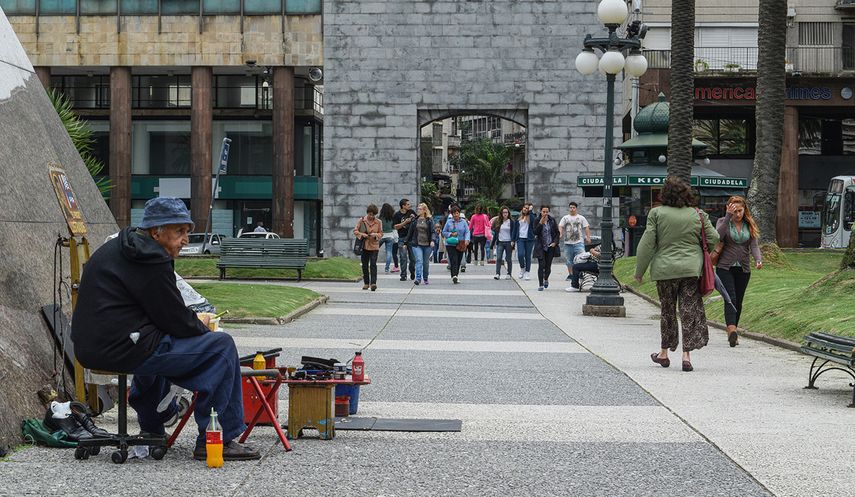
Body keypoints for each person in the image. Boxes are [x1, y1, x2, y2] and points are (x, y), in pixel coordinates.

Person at [71, 197, 260, 461]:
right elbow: (173, 318)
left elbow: (160, 313)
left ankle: (152, 426)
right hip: (121, 346)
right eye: (179, 232)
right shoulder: (150, 258)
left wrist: (186, 325)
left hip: (95, 346)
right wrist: (203, 325)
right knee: (221, 347)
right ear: (156, 231)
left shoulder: (123, 247)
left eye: (187, 232)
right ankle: (217, 439)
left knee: (160, 341)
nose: (185, 240)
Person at [634, 178, 719, 373]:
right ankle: (686, 356)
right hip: (691, 270)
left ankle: (664, 352)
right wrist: (701, 252)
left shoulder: (656, 213)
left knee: (667, 310)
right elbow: (714, 238)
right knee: (689, 311)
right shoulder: (698, 214)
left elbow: (647, 243)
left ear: (664, 194)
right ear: (687, 194)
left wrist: (640, 271)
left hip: (664, 270)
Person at [712, 195, 763, 347]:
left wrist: (758, 259)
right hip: (724, 267)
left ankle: (734, 331)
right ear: (729, 209)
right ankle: (731, 329)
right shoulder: (723, 222)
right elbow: (717, 237)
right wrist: (728, 216)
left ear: (744, 210)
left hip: (744, 267)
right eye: (734, 211)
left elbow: (753, 245)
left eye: (740, 211)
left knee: (738, 300)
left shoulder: (749, 224)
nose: (738, 214)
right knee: (730, 297)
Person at [354, 204, 384, 291]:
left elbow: (381, 233)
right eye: (370, 214)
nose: (371, 216)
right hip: (364, 246)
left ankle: (373, 283)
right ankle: (366, 283)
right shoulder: (362, 220)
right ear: (367, 213)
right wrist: (362, 234)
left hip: (374, 246)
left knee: (373, 264)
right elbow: (355, 231)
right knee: (365, 265)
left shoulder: (379, 222)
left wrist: (376, 235)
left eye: (373, 215)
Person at [558, 201, 591, 281]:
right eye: (571, 207)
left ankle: (580, 273)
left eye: (573, 207)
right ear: (569, 208)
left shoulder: (581, 218)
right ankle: (571, 274)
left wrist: (588, 237)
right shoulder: (565, 218)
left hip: (578, 242)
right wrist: (560, 233)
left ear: (576, 209)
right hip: (568, 242)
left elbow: (586, 227)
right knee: (569, 260)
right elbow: (560, 226)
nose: (572, 209)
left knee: (581, 259)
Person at [406, 203, 435, 285]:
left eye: (420, 209)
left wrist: (432, 240)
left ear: (424, 210)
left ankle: (425, 277)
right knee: (419, 260)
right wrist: (405, 242)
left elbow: (433, 231)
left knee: (425, 263)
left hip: (427, 245)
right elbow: (410, 232)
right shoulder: (415, 220)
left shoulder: (429, 220)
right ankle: (418, 278)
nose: (418, 210)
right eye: (418, 209)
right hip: (416, 244)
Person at [533, 205, 560, 291]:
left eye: (547, 212)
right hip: (541, 246)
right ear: (540, 212)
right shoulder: (537, 220)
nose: (545, 213)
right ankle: (540, 284)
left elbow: (557, 233)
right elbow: (535, 232)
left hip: (550, 246)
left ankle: (546, 278)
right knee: (541, 265)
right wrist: (541, 223)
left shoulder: (552, 220)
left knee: (548, 266)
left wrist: (555, 242)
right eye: (543, 212)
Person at [442, 206, 470, 284]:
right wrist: (451, 234)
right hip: (450, 244)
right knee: (454, 259)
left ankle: (455, 275)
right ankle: (454, 275)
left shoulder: (463, 222)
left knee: (458, 260)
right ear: (452, 214)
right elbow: (444, 232)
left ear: (459, 213)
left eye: (457, 213)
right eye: (454, 213)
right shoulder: (449, 222)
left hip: (461, 243)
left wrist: (467, 240)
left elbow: (467, 231)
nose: (456, 215)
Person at [393, 199, 417, 281]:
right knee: (403, 257)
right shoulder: (397, 215)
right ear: (403, 206)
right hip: (402, 238)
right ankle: (403, 275)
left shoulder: (411, 212)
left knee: (413, 258)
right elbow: (395, 227)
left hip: (411, 238)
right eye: (407, 204)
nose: (409, 206)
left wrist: (414, 219)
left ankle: (412, 271)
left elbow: (417, 221)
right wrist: (405, 222)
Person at [492, 206, 518, 280]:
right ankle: (497, 273)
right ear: (501, 213)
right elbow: (494, 229)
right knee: (499, 258)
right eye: (503, 212)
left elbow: (514, 232)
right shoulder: (498, 221)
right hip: (500, 242)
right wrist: (493, 243)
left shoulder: (511, 221)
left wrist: (513, 241)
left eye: (506, 212)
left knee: (508, 259)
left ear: (508, 213)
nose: (505, 214)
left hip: (509, 242)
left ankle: (509, 273)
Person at [516, 203, 537, 280]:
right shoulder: (519, 217)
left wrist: (531, 211)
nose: (525, 209)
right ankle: (522, 268)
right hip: (520, 239)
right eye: (524, 207)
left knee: (528, 256)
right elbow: (516, 229)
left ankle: (527, 272)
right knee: (520, 255)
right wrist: (513, 239)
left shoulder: (532, 216)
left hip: (529, 239)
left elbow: (533, 221)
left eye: (527, 208)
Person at [378, 203, 398, 273]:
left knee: (374, 250)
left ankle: (372, 264)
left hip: (381, 236)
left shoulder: (379, 218)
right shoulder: (392, 218)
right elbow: (394, 228)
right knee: (389, 253)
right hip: (390, 236)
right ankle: (387, 269)